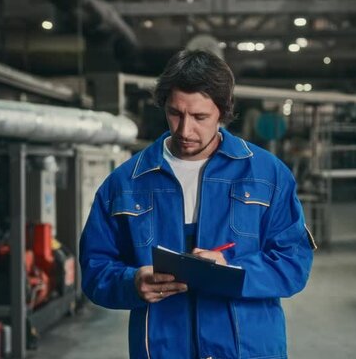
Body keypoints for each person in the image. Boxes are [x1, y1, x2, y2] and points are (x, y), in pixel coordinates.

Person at [80, 49, 316, 359]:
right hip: (163, 350)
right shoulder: (126, 182)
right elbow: (95, 268)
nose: (185, 130)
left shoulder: (267, 175)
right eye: (175, 113)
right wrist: (130, 282)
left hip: (248, 350)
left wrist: (232, 269)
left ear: (223, 112)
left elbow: (293, 262)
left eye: (200, 117)